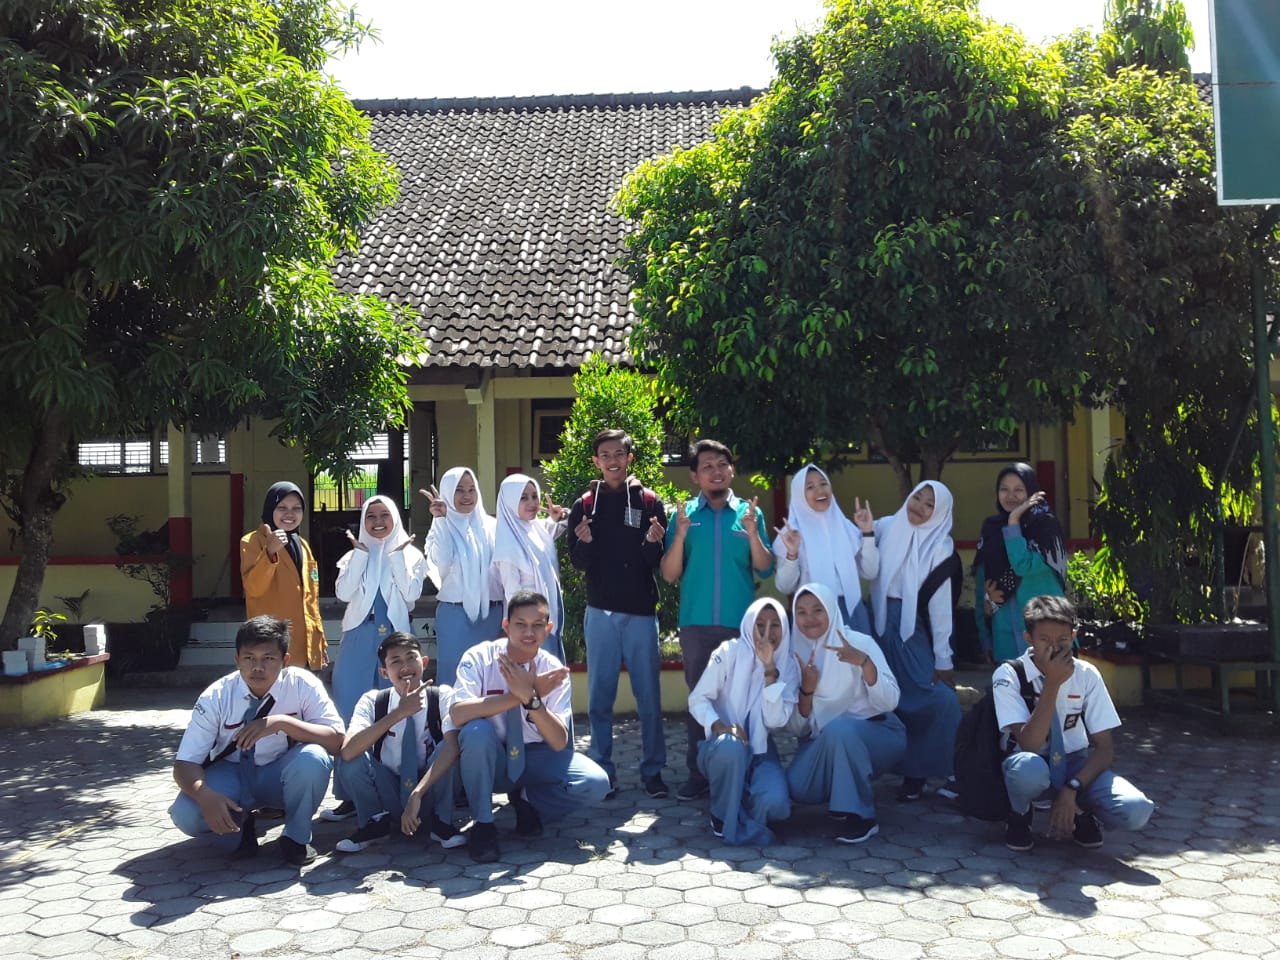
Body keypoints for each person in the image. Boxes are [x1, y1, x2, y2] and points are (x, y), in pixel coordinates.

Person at [447, 590, 611, 863]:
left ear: (548, 628)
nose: (528, 632)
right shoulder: (480, 657)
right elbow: (458, 713)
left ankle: (528, 801)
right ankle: (484, 824)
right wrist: (522, 694)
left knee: (595, 783)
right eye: (520, 624)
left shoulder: (552, 669)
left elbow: (558, 741)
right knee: (476, 733)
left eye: (537, 625)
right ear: (506, 625)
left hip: (534, 756)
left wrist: (533, 701)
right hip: (491, 757)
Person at [168, 615, 344, 866]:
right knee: (186, 814)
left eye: (268, 658)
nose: (257, 667)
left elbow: (336, 741)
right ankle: (240, 830)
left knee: (313, 759)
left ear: (285, 661)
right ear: (237, 660)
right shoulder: (216, 696)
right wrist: (204, 795)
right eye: (249, 658)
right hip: (233, 774)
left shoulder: (301, 684)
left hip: (280, 773)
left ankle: (296, 837)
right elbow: (185, 764)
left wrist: (282, 723)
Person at [995, 595, 1154, 852]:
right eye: (1044, 640)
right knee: (1028, 770)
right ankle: (1019, 815)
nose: (1054, 648)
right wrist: (1053, 682)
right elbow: (1030, 744)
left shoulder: (1087, 675)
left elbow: (1105, 749)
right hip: (1030, 763)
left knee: (1136, 810)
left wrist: (1073, 788)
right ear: (1028, 638)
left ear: (1073, 636)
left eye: (1063, 640)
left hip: (1074, 765)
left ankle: (1078, 810)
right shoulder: (1009, 674)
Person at [661, 439, 774, 801]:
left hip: (741, 626)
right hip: (696, 624)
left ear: (732, 470)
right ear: (695, 476)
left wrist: (753, 534)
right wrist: (680, 535)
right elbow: (669, 574)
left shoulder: (749, 514)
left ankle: (749, 765)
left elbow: (764, 567)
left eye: (721, 465)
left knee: (746, 697)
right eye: (707, 466)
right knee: (701, 698)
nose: (716, 471)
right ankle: (699, 773)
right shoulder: (683, 517)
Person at [566, 429, 669, 800]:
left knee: (649, 700)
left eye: (619, 454)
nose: (612, 461)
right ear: (596, 461)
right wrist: (585, 543)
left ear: (629, 458)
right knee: (599, 699)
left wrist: (653, 543)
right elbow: (578, 562)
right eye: (605, 455)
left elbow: (655, 562)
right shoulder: (584, 505)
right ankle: (602, 771)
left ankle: (653, 771)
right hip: (600, 612)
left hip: (640, 613)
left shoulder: (649, 502)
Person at [785, 583, 905, 844]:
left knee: (840, 728)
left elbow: (890, 701)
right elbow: (797, 729)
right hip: (824, 741)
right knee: (797, 787)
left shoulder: (859, 643)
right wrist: (807, 689)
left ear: (831, 609)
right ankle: (843, 790)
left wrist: (864, 663)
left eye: (818, 610)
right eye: (801, 612)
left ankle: (860, 815)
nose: (809, 618)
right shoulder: (793, 656)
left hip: (880, 733)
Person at [870, 480, 962, 802]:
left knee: (934, 696)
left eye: (929, 505)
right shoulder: (886, 526)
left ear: (940, 513)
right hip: (877, 624)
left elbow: (940, 608)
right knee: (886, 696)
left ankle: (945, 769)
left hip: (911, 628)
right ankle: (907, 774)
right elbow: (852, 543)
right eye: (917, 497)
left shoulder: (940, 547)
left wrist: (943, 659)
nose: (919, 507)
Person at [333, 632, 465, 853]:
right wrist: (398, 713)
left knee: (449, 747)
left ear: (424, 662)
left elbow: (452, 748)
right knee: (352, 758)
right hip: (389, 789)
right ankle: (375, 823)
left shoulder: (442, 695)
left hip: (428, 790)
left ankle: (442, 822)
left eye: (411, 658)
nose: (405, 667)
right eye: (395, 661)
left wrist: (417, 793)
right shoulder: (373, 701)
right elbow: (348, 751)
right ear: (384, 672)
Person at [687, 597, 798, 844]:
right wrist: (721, 728)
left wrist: (770, 671)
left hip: (760, 752)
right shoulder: (729, 652)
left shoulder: (788, 666)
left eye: (775, 625)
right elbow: (698, 699)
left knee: (777, 806)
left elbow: (775, 721)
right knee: (731, 747)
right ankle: (722, 813)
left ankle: (739, 795)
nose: (767, 633)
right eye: (760, 624)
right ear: (749, 624)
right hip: (720, 748)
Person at [975, 463, 1068, 663]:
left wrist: (1013, 523)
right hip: (1005, 636)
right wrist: (984, 635)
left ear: (1032, 491)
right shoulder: (992, 528)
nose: (1011, 496)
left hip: (1047, 632)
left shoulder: (1046, 527)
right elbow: (982, 582)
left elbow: (1022, 565)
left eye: (1019, 489)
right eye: (1004, 489)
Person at [422, 467, 505, 687]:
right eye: (459, 490)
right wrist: (440, 520)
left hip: (492, 615)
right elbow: (443, 560)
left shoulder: (492, 526)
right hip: (456, 616)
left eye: (471, 489)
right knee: (454, 680)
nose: (467, 496)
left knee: (491, 681)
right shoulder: (441, 526)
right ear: (448, 493)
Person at [773, 463, 878, 633]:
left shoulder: (846, 527)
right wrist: (792, 554)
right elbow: (785, 587)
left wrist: (867, 533)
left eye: (823, 484)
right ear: (799, 494)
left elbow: (870, 572)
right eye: (810, 487)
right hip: (812, 617)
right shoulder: (790, 534)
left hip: (851, 611)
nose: (820, 491)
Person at [240, 482, 328, 670]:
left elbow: (311, 600)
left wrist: (319, 642)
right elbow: (253, 588)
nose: (290, 514)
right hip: (271, 647)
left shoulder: (303, 545)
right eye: (282, 508)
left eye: (296, 508)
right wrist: (269, 553)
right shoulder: (252, 541)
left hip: (306, 648)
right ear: (270, 509)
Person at [494, 473, 569, 664]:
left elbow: (556, 527)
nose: (532, 502)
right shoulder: (507, 544)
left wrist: (559, 517)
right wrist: (528, 629)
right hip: (530, 629)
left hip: (544, 620)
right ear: (510, 502)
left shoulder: (535, 529)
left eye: (535, 496)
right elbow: (513, 595)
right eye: (523, 498)